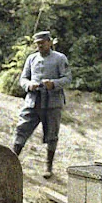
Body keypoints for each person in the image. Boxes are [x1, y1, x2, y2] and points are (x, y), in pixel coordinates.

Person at [12, 31, 72, 179]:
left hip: (52, 102)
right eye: (37, 43)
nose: (40, 46)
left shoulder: (60, 58)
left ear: (50, 42)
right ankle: (11, 161)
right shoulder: (31, 59)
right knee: (21, 129)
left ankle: (48, 167)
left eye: (42, 43)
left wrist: (54, 84)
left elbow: (68, 78)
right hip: (33, 101)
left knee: (52, 135)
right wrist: (29, 85)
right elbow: (23, 78)